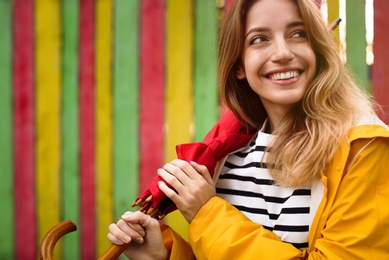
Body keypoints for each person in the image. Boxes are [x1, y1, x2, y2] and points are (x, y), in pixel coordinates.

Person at [107, 0, 389, 259]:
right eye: (259, 39)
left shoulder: (362, 149)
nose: (282, 53)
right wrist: (167, 256)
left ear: (318, 49)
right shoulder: (229, 154)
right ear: (239, 65)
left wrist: (208, 215)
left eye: (298, 33)